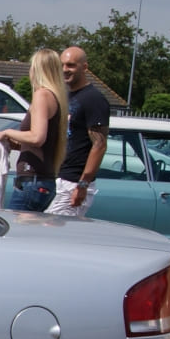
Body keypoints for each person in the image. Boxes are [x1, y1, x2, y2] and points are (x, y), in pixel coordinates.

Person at [0, 48, 67, 212]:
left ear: (37, 70)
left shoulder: (42, 95)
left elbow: (37, 137)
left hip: (32, 180)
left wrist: (7, 132)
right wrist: (17, 145)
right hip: (42, 179)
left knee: (15, 233)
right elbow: (40, 142)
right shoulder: (56, 98)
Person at [45, 46, 110, 216]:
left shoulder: (93, 99)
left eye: (71, 65)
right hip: (60, 178)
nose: (65, 70)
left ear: (85, 67)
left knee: (53, 234)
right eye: (62, 65)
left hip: (74, 183)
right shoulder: (66, 96)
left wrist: (83, 185)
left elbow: (100, 145)